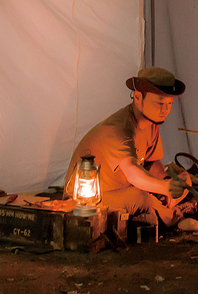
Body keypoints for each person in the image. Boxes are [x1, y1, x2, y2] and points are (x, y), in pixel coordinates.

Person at [64, 67, 190, 226]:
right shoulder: (118, 129)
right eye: (159, 102)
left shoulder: (151, 122)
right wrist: (164, 188)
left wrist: (166, 182)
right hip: (91, 200)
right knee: (140, 197)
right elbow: (133, 173)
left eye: (169, 103)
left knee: (184, 178)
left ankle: (164, 205)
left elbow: (152, 162)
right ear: (137, 97)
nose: (165, 110)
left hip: (128, 189)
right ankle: (173, 219)